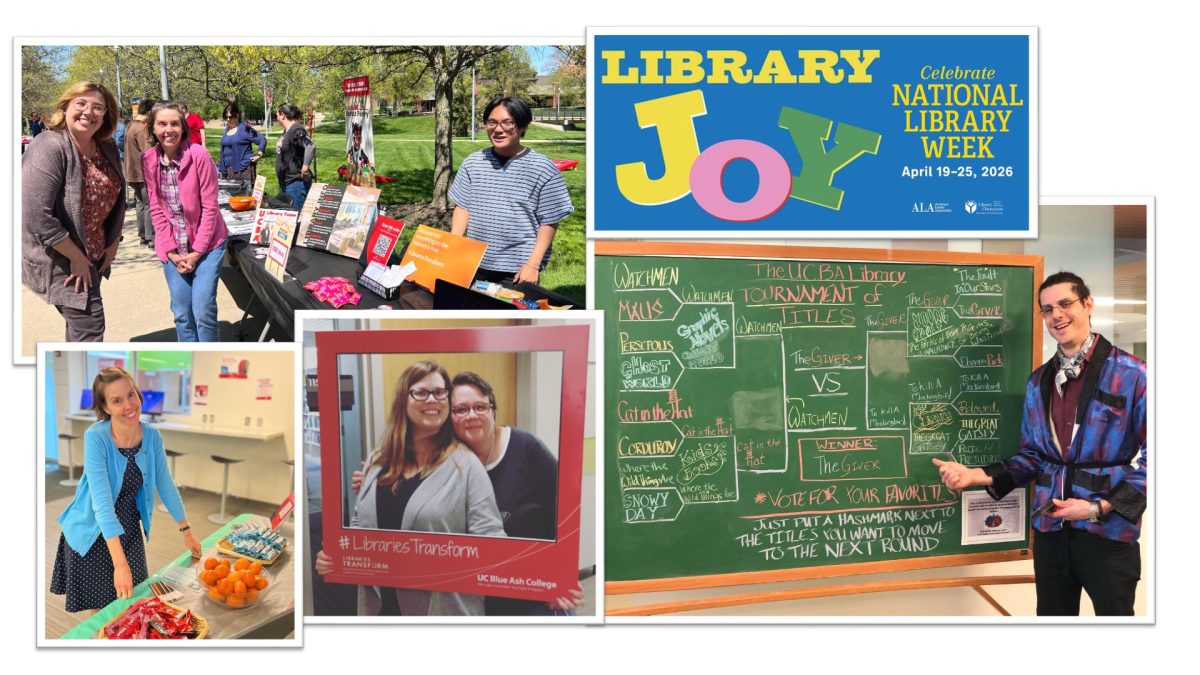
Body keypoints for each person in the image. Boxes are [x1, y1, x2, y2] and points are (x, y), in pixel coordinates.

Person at [932, 271, 1147, 616]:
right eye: (1047, 309)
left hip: (1107, 533)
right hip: (1050, 529)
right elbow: (1032, 457)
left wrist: (1097, 508)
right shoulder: (1039, 381)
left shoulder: (1133, 374)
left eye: (1065, 304)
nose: (1056, 315)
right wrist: (975, 475)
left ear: (1088, 304)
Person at [315, 361, 505, 616]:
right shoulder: (378, 460)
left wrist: (540, 580)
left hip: (441, 615)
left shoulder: (467, 466)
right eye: (421, 392)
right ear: (403, 399)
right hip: (378, 610)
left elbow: (493, 543)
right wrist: (337, 556)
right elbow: (361, 524)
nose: (432, 399)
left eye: (440, 392)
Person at [50, 367, 202, 613]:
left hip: (129, 531)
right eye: (117, 400)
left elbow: (165, 484)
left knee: (133, 605)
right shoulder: (96, 437)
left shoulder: (151, 435)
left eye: (131, 394)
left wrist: (186, 530)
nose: (129, 405)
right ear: (106, 407)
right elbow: (102, 504)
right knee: (103, 614)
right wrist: (120, 565)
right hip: (93, 533)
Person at [449, 372, 582, 616]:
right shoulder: (447, 460)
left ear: (493, 411)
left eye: (480, 407)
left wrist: (561, 576)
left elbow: (567, 513)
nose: (472, 415)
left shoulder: (526, 448)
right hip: (479, 603)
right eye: (461, 409)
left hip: (537, 597)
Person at [22, 81, 124, 342]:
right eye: (81, 103)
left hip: (95, 254)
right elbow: (35, 214)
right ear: (65, 107)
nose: (88, 112)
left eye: (98, 107)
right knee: (90, 328)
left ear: (106, 115)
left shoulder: (106, 146)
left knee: (80, 330)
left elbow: (116, 198)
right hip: (62, 258)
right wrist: (77, 258)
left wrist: (114, 240)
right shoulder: (49, 146)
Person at [449, 95, 574, 285]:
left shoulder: (543, 169)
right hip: (472, 263)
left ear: (523, 126)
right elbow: (463, 207)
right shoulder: (472, 163)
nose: (498, 129)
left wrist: (533, 265)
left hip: (517, 271)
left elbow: (549, 221)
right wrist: (453, 247)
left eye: (507, 123)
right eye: (492, 122)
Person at [141, 101, 229, 342]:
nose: (168, 130)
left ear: (183, 127)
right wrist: (170, 250)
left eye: (174, 123)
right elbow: (156, 207)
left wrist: (196, 252)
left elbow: (210, 207)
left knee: (203, 312)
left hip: (207, 245)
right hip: (173, 247)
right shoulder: (148, 159)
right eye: (162, 124)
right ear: (153, 128)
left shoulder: (199, 155)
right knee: (182, 314)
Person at [125, 98, 156, 247]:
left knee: (140, 204)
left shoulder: (130, 125)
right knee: (148, 204)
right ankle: (150, 237)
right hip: (142, 173)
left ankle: (143, 235)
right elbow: (148, 152)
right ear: (149, 113)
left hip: (132, 173)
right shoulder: (142, 128)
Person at [274, 103, 315, 207]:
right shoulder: (288, 130)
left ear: (282, 115)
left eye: (277, 115)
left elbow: (310, 146)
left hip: (296, 183)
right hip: (287, 182)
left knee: (295, 215)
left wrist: (305, 168)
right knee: (288, 215)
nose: (276, 117)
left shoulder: (296, 129)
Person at [216, 101, 266, 182]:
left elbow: (262, 139)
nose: (228, 119)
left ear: (237, 115)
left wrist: (259, 154)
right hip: (228, 170)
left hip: (243, 169)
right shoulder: (227, 129)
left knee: (244, 190)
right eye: (226, 117)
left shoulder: (245, 129)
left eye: (230, 117)